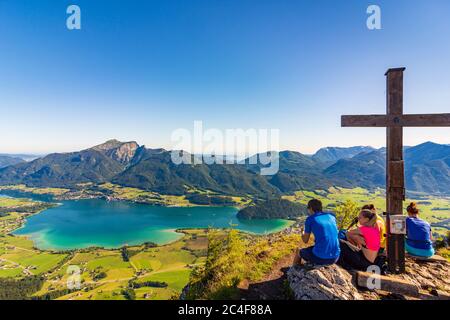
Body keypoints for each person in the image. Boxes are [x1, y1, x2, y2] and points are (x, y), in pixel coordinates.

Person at [294, 199, 340, 266]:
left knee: (299, 251)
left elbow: (305, 240)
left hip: (321, 258)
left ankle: (293, 271)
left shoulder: (310, 219)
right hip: (336, 256)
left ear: (311, 208)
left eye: (308, 209)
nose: (308, 211)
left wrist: (302, 232)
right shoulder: (331, 216)